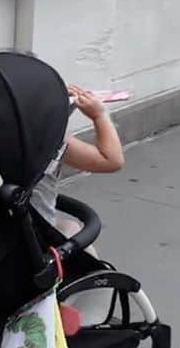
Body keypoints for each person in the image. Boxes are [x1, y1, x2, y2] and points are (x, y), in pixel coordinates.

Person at [32, 85, 125, 235]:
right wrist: (99, 115)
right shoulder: (48, 139)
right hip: (32, 235)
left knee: (68, 225)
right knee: (74, 231)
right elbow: (112, 160)